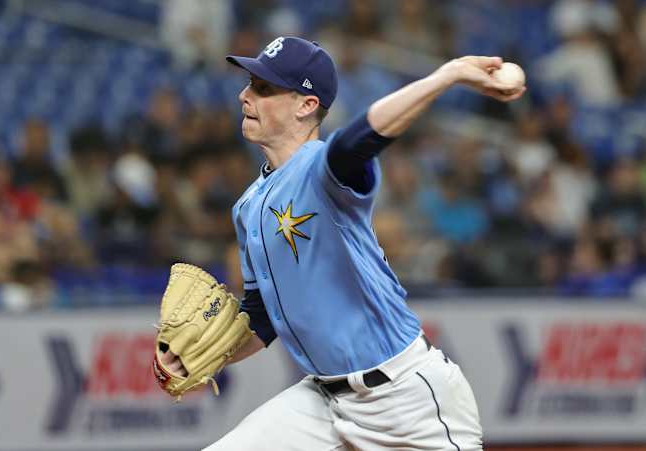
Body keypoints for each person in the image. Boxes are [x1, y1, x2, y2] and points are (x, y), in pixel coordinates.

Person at [161, 36, 524, 450]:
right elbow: (261, 319)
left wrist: (446, 76)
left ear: (306, 105)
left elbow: (362, 138)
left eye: (263, 88)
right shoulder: (248, 206)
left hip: (405, 399)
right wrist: (201, 355)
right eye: (250, 84)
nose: (245, 95)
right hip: (322, 401)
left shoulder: (323, 171)